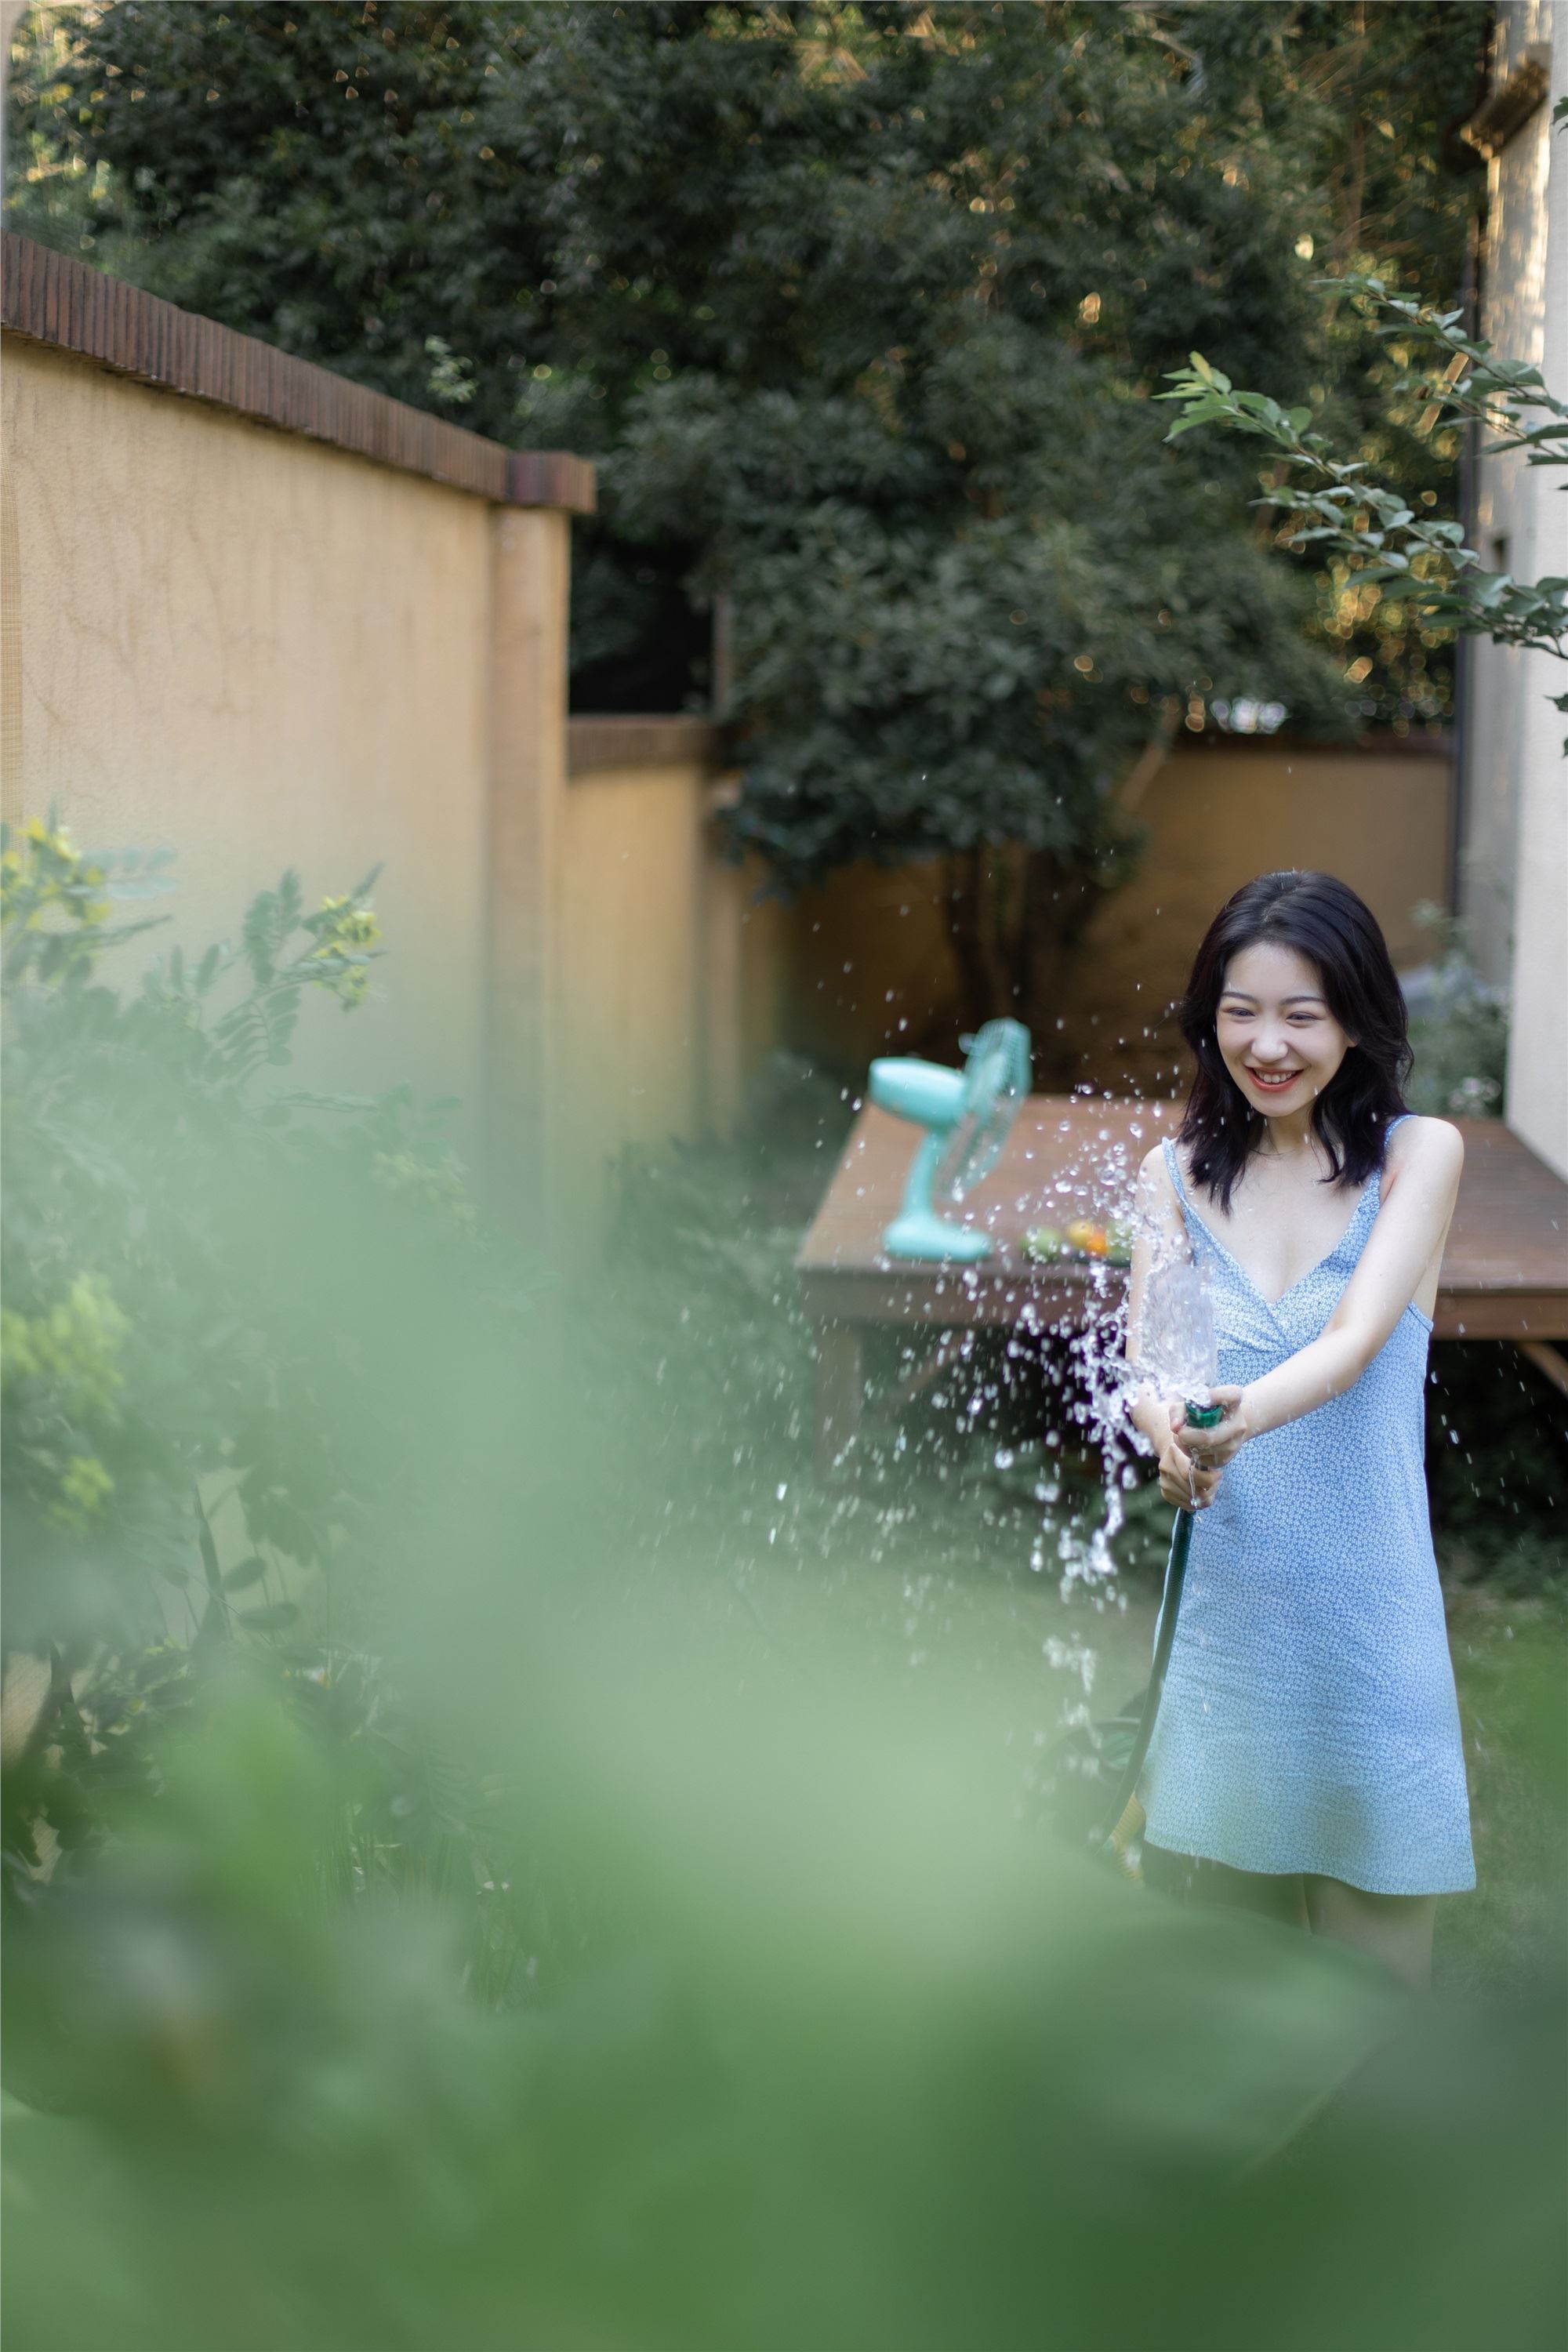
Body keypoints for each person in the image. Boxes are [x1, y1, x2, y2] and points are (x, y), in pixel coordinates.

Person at [1125, 869, 1474, 1990]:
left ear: (1359, 1022)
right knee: (1226, 2041)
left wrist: (1228, 1422)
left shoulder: (1420, 1157)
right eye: (1241, 1012)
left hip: (1369, 1639)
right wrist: (1169, 1433)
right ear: (1207, 1019)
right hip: (1228, 1649)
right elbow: (1147, 1366)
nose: (1267, 1044)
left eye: (1302, 1015)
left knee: (1382, 2043)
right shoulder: (1169, 1177)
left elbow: (1356, 1340)